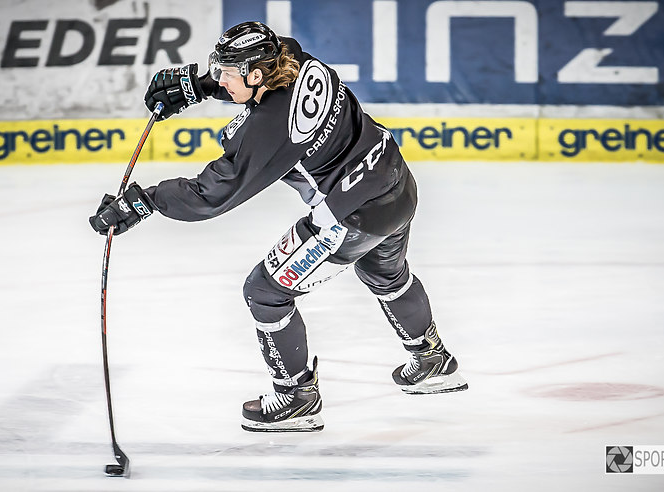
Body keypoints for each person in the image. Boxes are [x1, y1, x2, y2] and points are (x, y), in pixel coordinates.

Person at [89, 21, 468, 432]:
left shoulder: (270, 129)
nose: (222, 79)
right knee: (384, 272)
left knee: (265, 292)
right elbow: (259, 88)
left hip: (351, 216)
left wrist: (144, 201)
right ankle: (432, 358)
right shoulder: (290, 55)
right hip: (395, 182)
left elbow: (212, 195)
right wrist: (198, 87)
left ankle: (296, 396)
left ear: (255, 74)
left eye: (228, 74)